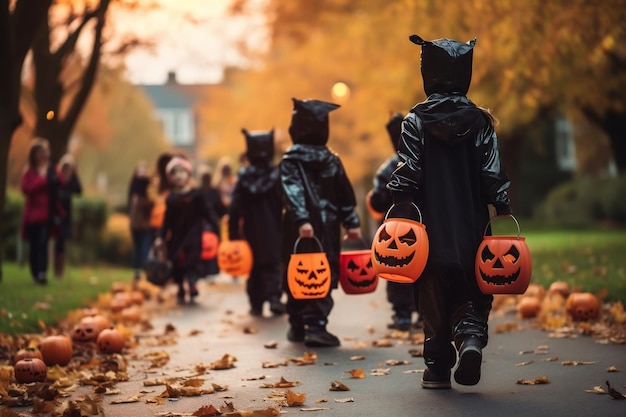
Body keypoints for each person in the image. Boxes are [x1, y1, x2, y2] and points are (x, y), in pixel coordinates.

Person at [387, 35, 512, 389]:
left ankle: (437, 366)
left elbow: (408, 170)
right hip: (471, 224)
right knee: (473, 286)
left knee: (431, 294)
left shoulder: (415, 121)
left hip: (428, 228)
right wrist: (501, 204)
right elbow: (491, 172)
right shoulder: (481, 122)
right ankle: (471, 338)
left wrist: (400, 201)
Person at [280, 98, 361, 348]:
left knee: (302, 272)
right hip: (318, 226)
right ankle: (312, 325)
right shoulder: (316, 161)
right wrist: (350, 222)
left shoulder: (300, 161)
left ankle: (301, 323)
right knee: (316, 273)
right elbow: (294, 190)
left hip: (301, 227)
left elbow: (343, 193)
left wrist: (351, 221)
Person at [367, 113, 417, 331]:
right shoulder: (425, 163)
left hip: (394, 230)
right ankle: (426, 313)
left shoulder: (387, 169)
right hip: (422, 225)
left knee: (397, 270)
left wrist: (375, 198)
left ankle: (402, 314)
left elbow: (378, 203)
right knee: (422, 267)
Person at [229, 128, 285, 317]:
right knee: (272, 263)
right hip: (273, 226)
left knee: (253, 267)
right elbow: (286, 200)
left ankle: (256, 302)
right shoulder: (277, 174)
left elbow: (235, 206)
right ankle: (274, 297)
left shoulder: (244, 177)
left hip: (250, 228)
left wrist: (233, 232)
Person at [156, 156, 218, 305]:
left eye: (181, 172)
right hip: (177, 235)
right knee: (177, 262)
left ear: (188, 174)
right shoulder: (171, 199)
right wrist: (161, 237)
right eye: (174, 173)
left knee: (192, 260)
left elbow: (207, 213)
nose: (178, 176)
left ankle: (192, 283)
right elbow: (167, 220)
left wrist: (215, 227)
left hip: (194, 234)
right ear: (170, 178)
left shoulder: (197, 195)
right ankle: (180, 287)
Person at [20, 139, 64, 285]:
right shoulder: (30, 172)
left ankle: (42, 272)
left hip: (48, 214)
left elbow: (61, 184)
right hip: (33, 214)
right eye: (40, 152)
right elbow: (27, 189)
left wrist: (54, 172)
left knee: (44, 243)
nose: (43, 155)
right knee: (35, 245)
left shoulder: (52, 170)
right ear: (34, 155)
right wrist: (42, 179)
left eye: (45, 152)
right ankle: (35, 272)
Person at [53, 153, 82, 278]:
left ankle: (61, 271)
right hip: (57, 213)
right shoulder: (57, 179)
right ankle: (56, 270)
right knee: (57, 243)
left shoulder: (71, 182)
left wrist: (74, 174)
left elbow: (79, 190)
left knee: (62, 243)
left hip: (67, 215)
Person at [198, 165, 227, 279]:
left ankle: (203, 270)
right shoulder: (214, 192)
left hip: (201, 225)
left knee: (202, 247)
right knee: (212, 247)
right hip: (212, 224)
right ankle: (211, 269)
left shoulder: (198, 192)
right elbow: (220, 208)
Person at [128, 161, 154, 282]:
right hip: (136, 223)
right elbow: (134, 205)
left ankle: (144, 271)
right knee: (138, 248)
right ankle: (138, 271)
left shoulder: (150, 186)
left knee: (145, 248)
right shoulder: (134, 188)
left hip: (146, 224)